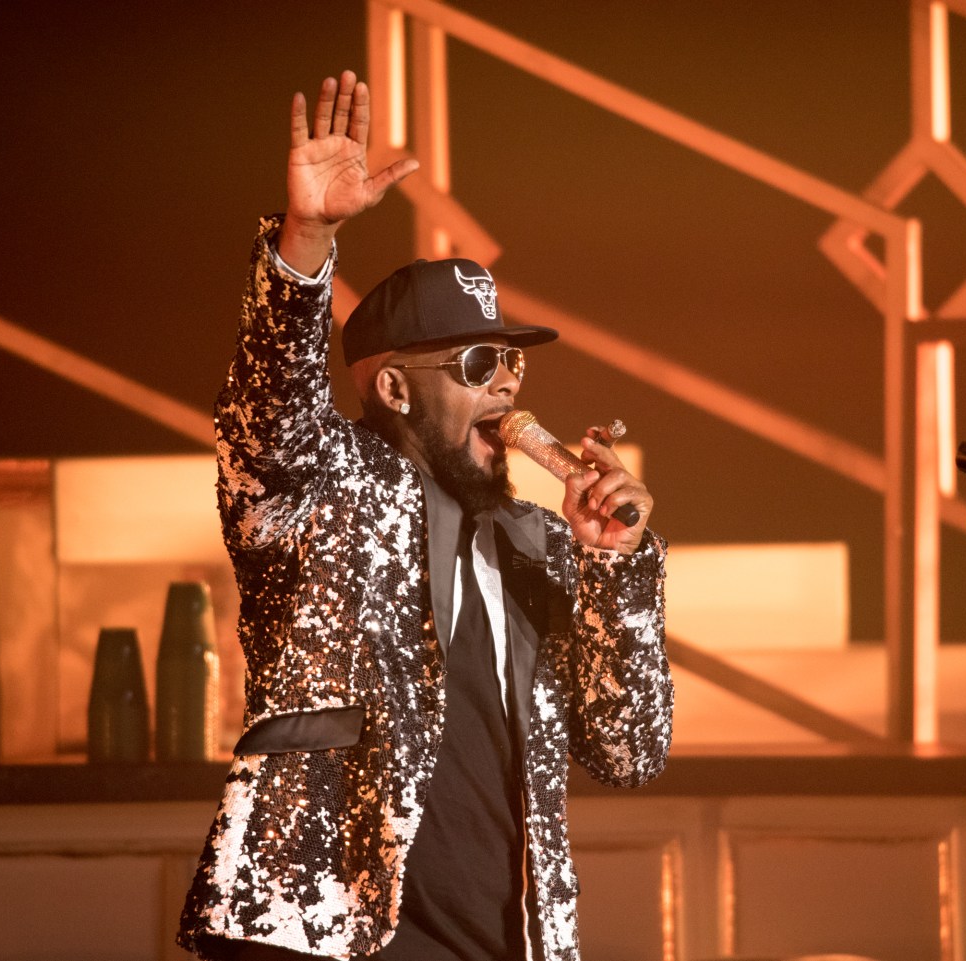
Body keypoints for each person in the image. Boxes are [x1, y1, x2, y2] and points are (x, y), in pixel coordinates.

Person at [178, 70, 672, 961]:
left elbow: (630, 749)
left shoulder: (538, 543)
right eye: (479, 364)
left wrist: (615, 565)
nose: (508, 383)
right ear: (397, 389)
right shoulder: (320, 492)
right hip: (333, 939)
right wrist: (306, 241)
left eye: (513, 363)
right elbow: (270, 406)